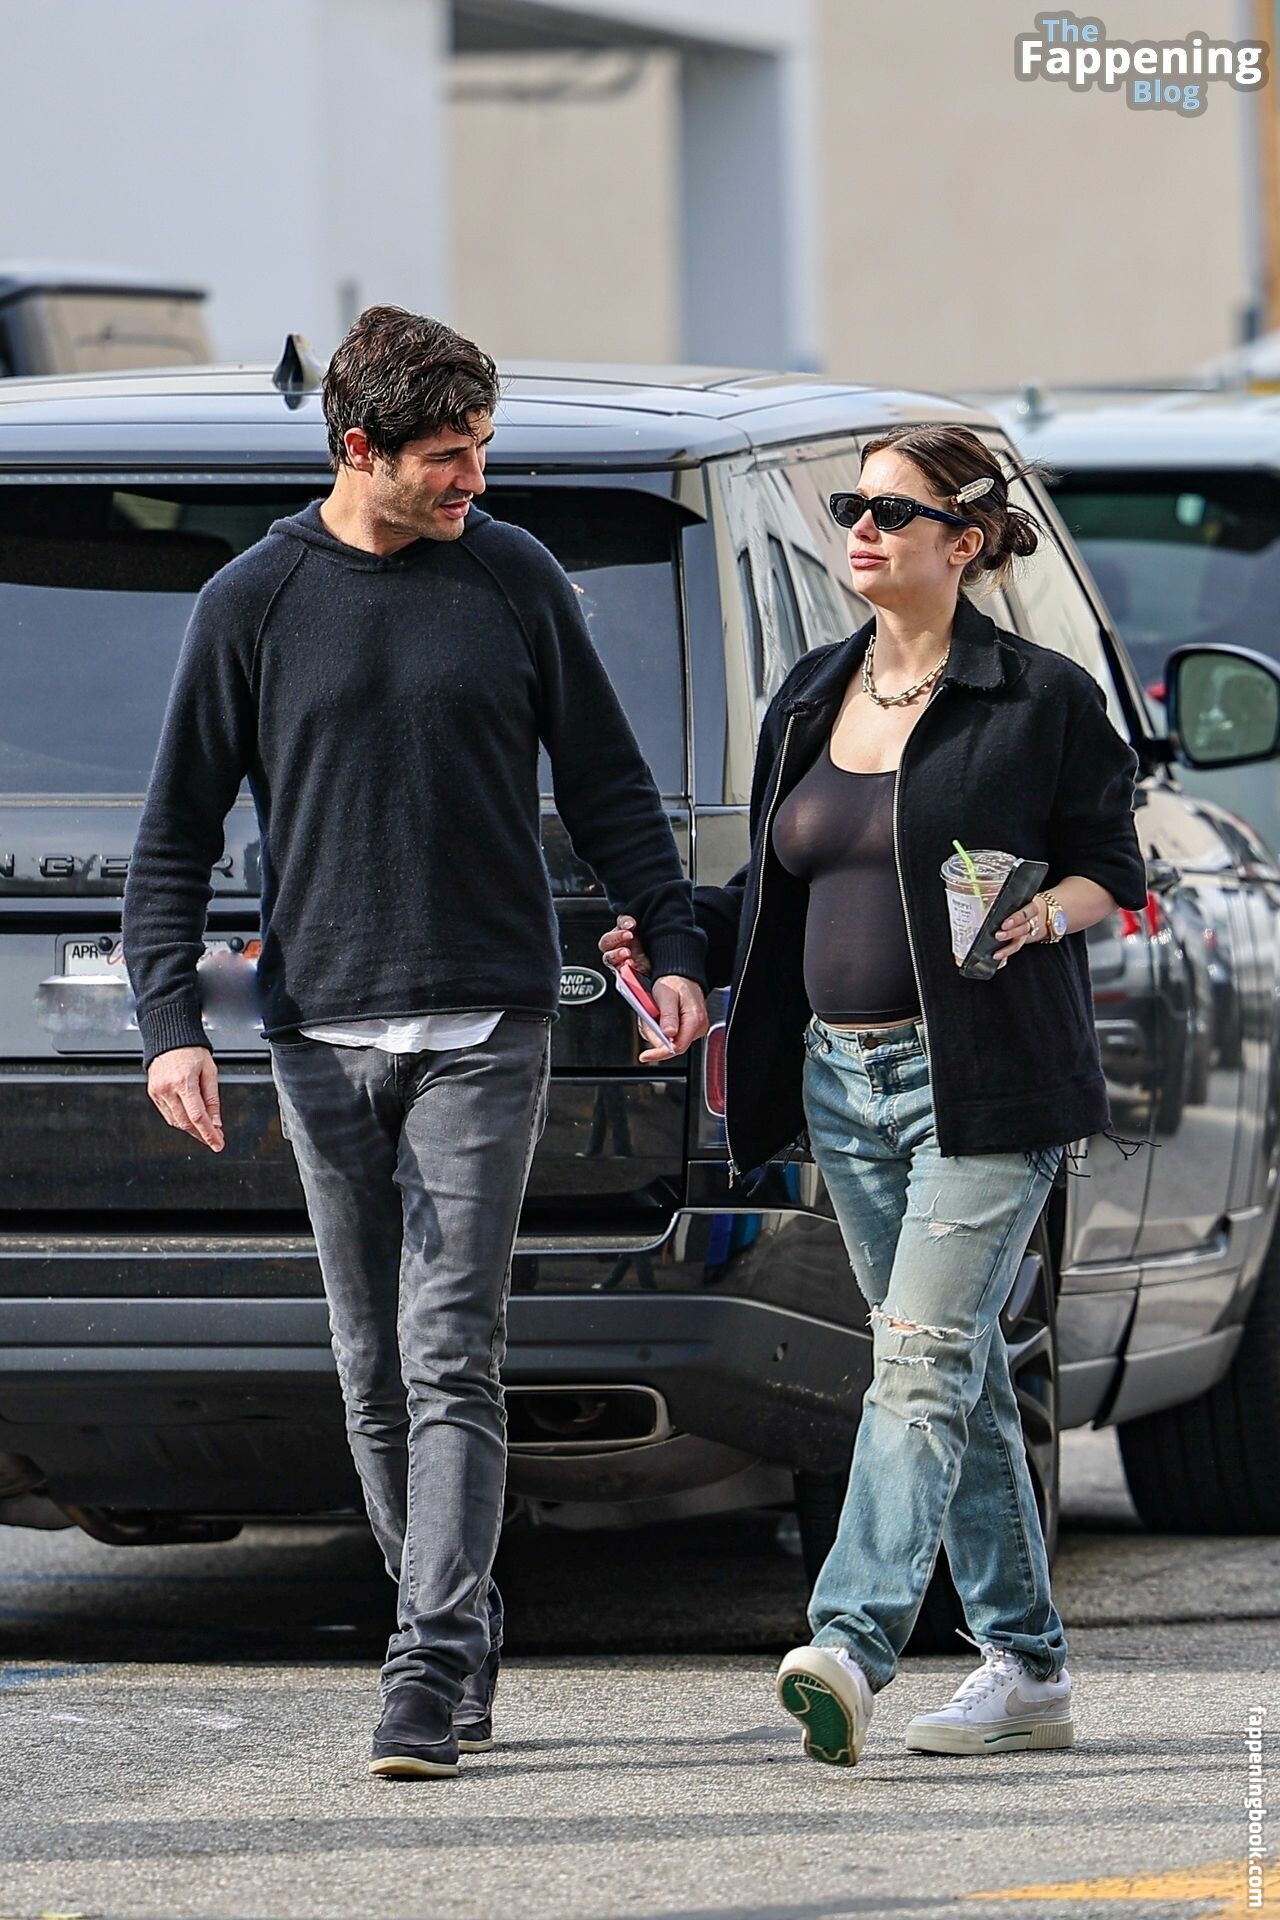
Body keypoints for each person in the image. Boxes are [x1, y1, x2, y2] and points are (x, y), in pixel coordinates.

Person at [123, 306, 708, 1780]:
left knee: (453, 1351)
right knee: (369, 1362)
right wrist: (170, 1027)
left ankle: (426, 1661)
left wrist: (677, 943)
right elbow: (176, 830)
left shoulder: (512, 578)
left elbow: (612, 782)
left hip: (485, 1023)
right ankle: (451, 1613)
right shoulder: (254, 599)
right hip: (319, 1032)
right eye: (449, 456)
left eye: (483, 450)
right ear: (358, 448)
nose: (476, 482)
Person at [601, 423, 1146, 1767]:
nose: (861, 528)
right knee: (948, 1363)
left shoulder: (1039, 697)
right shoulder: (814, 692)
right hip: (843, 1086)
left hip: (986, 1083)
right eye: (853, 505)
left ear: (968, 541)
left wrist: (1041, 917)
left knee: (914, 1358)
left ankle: (848, 1641)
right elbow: (776, 888)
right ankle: (1028, 1670)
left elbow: (1113, 867)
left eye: (895, 512)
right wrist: (677, 952)